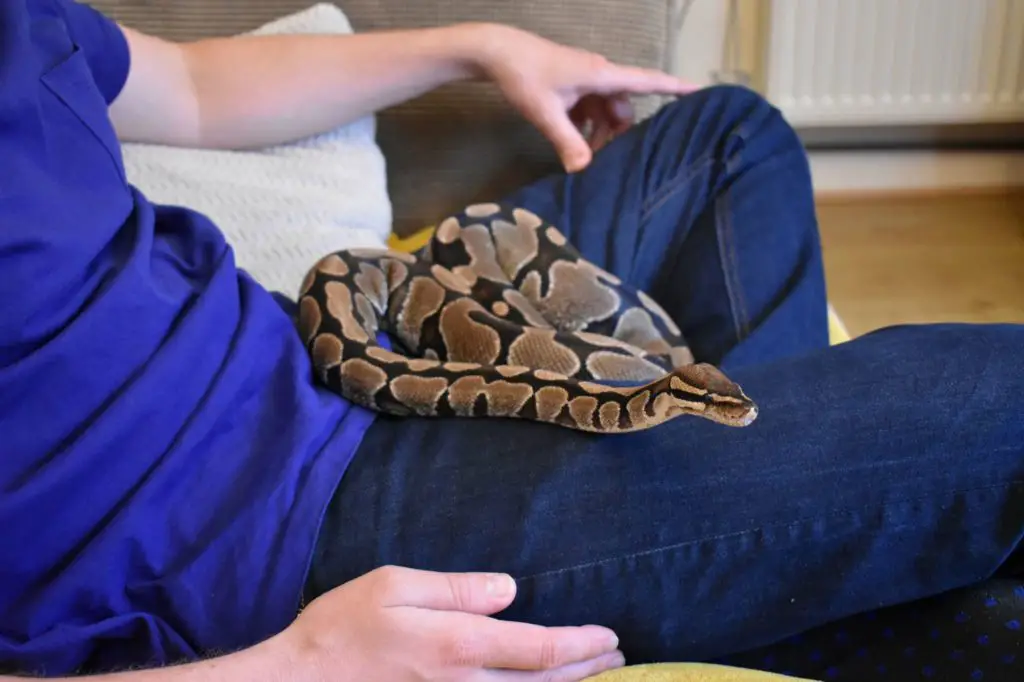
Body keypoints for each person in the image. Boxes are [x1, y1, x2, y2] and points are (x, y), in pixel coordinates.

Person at [1, 1, 1022, 680]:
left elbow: (183, 83)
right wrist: (292, 663)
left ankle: (726, 566)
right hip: (270, 534)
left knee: (725, 137)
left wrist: (478, 45)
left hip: (313, 345)